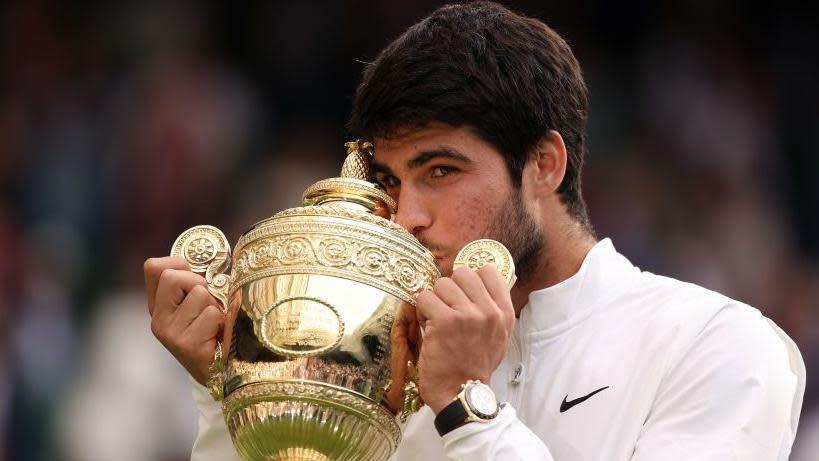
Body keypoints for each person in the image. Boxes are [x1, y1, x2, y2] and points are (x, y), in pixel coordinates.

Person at [143, 2, 806, 459]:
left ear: (543, 165)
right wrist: (233, 387)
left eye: (440, 169)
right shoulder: (378, 357)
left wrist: (464, 406)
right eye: (393, 180)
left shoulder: (717, 343)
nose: (407, 216)